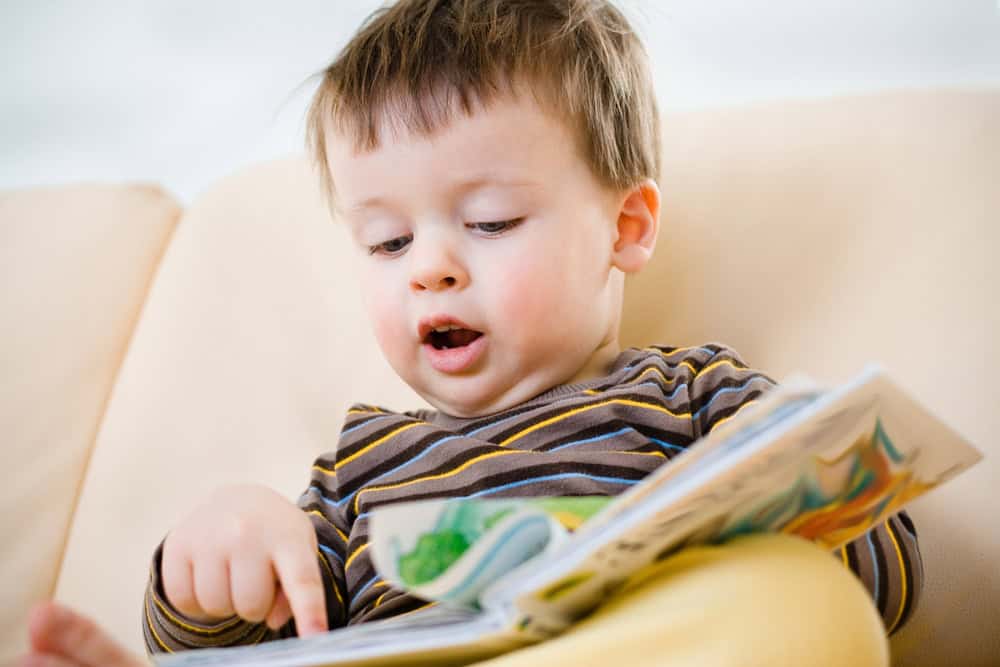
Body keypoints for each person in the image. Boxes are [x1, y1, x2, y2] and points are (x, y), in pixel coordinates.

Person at [20, 1, 921, 665]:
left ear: (626, 227)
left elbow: (883, 580)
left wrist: (794, 492)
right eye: (387, 240)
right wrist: (211, 558)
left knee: (803, 601)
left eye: (488, 222)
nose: (429, 267)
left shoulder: (694, 397)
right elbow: (237, 635)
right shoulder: (356, 472)